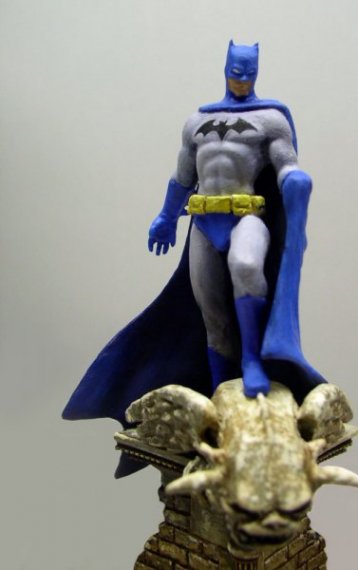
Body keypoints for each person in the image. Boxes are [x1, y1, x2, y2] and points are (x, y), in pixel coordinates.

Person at [63, 41, 325, 477]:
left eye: (248, 72)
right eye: (236, 72)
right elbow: (183, 176)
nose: (242, 79)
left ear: (256, 71)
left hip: (246, 215)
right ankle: (221, 389)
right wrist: (166, 217)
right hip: (203, 222)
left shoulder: (270, 119)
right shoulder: (197, 121)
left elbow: (285, 164)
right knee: (210, 311)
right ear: (226, 68)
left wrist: (295, 179)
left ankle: (252, 361)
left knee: (246, 267)